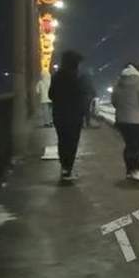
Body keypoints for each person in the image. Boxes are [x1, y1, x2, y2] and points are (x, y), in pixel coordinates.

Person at [48, 50, 89, 183]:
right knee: (72, 143)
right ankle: (67, 170)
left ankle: (64, 167)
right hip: (74, 115)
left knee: (62, 141)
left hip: (59, 114)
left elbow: (51, 95)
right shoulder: (77, 77)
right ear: (75, 63)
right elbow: (82, 96)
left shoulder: (57, 76)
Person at [111, 62, 139, 182]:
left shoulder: (119, 83)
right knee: (138, 147)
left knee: (130, 146)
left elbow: (114, 101)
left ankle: (129, 171)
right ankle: (136, 171)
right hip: (138, 122)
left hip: (122, 121)